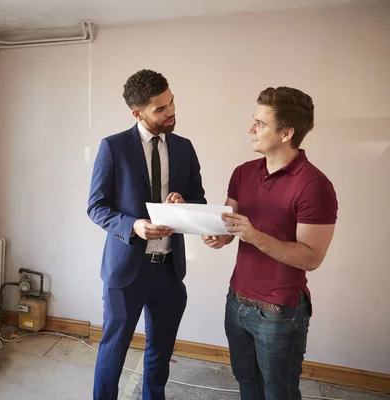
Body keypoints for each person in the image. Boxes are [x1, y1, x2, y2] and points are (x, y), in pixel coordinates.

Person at [202, 87, 338, 399]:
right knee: (247, 384)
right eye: (254, 121)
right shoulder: (243, 173)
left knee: (279, 393)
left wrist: (254, 236)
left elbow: (311, 258)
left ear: (287, 132)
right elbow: (228, 228)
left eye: (260, 124)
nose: (251, 129)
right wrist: (215, 235)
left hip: (279, 313)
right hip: (236, 302)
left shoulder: (315, 186)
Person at [87, 69, 206, 400]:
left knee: (160, 353)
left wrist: (184, 204)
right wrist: (133, 226)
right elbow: (96, 207)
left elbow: (199, 200)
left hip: (169, 269)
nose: (171, 112)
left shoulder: (184, 148)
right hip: (126, 272)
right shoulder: (113, 147)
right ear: (137, 113)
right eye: (161, 109)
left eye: (171, 103)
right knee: (114, 351)